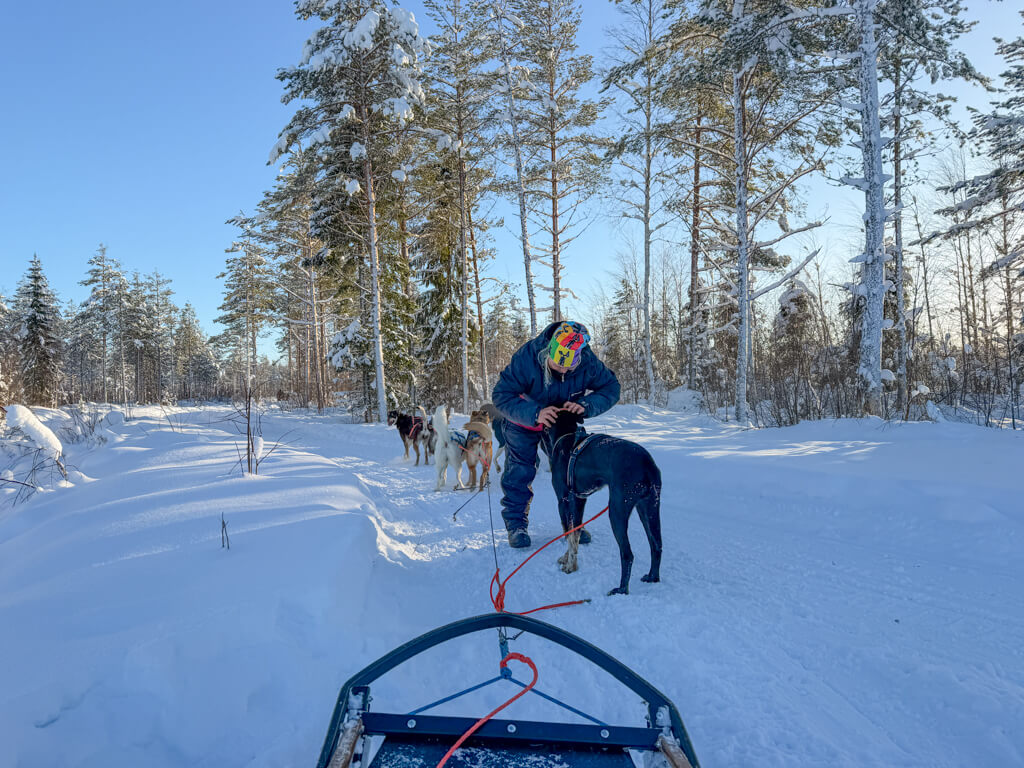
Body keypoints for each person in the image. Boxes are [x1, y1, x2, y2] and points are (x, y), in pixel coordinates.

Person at [491, 320, 621, 548]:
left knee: (570, 468)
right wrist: (535, 413)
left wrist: (586, 405)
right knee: (520, 469)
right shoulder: (527, 358)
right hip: (525, 416)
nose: (561, 370)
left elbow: (611, 388)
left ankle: (572, 522)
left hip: (562, 420)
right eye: (556, 365)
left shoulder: (588, 363)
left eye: (568, 368)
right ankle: (516, 525)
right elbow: (501, 396)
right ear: (548, 351)